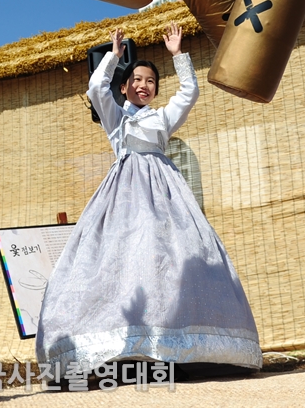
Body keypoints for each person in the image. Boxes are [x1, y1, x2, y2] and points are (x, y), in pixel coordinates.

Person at [36, 23, 262, 376]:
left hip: (168, 196)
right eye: (137, 80)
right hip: (124, 197)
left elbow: (189, 92)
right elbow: (96, 87)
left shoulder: (162, 119)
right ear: (124, 87)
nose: (144, 85)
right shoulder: (116, 118)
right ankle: (125, 348)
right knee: (126, 260)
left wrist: (178, 55)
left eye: (151, 81)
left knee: (172, 260)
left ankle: (179, 345)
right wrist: (114, 56)